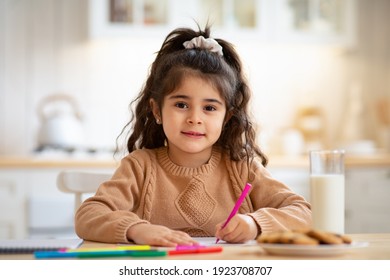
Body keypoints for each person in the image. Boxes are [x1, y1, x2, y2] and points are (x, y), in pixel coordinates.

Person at [75, 25, 312, 247]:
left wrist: (254, 224)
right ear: (157, 110)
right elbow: (88, 215)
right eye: (181, 104)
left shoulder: (243, 169)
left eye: (209, 108)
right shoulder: (139, 167)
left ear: (226, 117)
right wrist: (137, 230)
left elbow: (304, 212)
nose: (195, 118)